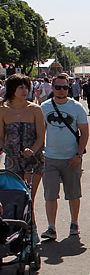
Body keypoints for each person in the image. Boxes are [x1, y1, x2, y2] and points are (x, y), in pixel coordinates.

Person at [40, 73, 89, 240]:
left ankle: (74, 223)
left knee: (73, 193)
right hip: (50, 157)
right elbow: (41, 133)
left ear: (69, 88)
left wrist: (78, 154)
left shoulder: (76, 107)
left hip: (71, 158)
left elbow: (85, 133)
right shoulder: (44, 107)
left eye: (65, 87)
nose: (62, 90)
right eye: (58, 87)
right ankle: (51, 227)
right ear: (52, 88)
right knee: (50, 195)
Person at [0, 74, 46, 211]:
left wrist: (32, 150)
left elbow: (41, 136)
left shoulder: (35, 109)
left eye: (27, 87)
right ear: (12, 89)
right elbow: (1, 136)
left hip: (33, 160)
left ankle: (31, 229)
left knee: (29, 198)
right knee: (15, 197)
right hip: (12, 160)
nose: (25, 91)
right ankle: (19, 229)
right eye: (21, 87)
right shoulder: (3, 110)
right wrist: (3, 147)